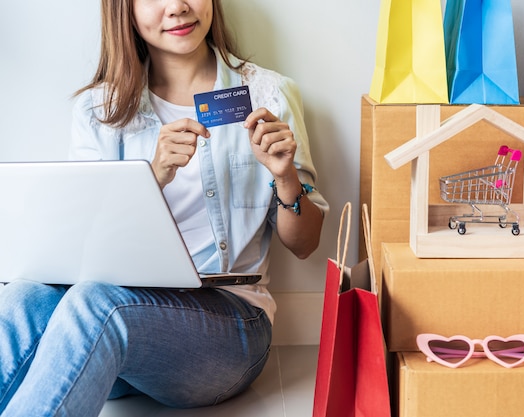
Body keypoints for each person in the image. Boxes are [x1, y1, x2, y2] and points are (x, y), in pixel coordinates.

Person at [0, 0, 328, 415]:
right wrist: (151, 177)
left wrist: (285, 177)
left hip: (229, 327)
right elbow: (78, 249)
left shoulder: (268, 94)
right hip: (119, 334)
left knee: (96, 302)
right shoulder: (98, 109)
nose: (177, 7)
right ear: (126, 11)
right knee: (27, 294)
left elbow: (305, 245)